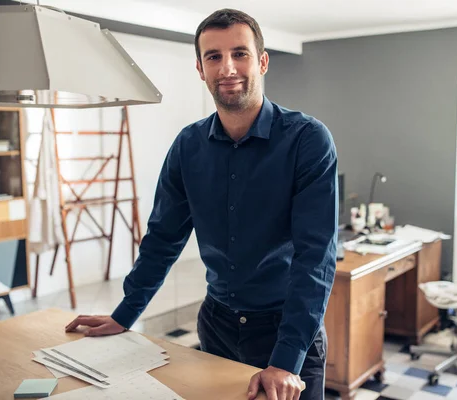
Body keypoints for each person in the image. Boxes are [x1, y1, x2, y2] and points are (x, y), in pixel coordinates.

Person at [65, 8, 338, 400]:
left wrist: (285, 360)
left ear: (262, 61)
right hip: (217, 326)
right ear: (200, 69)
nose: (227, 68)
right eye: (214, 57)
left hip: (287, 330)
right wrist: (125, 314)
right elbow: (162, 239)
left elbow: (317, 257)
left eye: (239, 53)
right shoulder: (187, 146)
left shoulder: (308, 140)